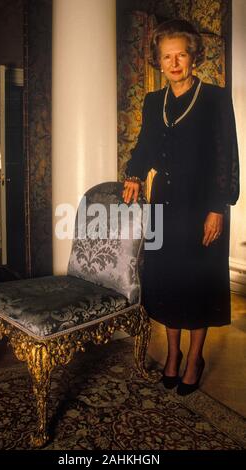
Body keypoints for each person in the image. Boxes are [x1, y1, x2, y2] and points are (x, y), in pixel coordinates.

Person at [122, 19, 239, 395]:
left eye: (181, 55)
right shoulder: (154, 102)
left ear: (193, 58)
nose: (174, 63)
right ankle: (172, 355)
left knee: (198, 284)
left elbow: (226, 158)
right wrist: (135, 174)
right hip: (164, 208)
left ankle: (194, 358)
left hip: (203, 206)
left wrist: (218, 208)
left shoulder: (216, 98)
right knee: (169, 282)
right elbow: (145, 147)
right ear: (159, 62)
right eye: (167, 56)